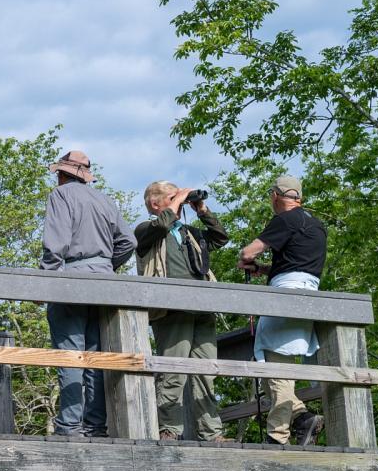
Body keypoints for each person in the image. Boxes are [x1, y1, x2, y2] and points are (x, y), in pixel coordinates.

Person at [40, 149, 136, 437]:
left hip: (71, 279)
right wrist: (105, 266)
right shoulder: (105, 200)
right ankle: (95, 426)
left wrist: (45, 282)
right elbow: (128, 242)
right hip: (105, 283)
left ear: (61, 173)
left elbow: (55, 244)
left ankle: (69, 426)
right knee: (96, 356)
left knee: (71, 354)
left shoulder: (61, 196)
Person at [135, 182, 229, 441]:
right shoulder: (147, 230)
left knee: (206, 372)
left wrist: (201, 209)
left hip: (202, 308)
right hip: (171, 310)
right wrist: (180, 199)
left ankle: (211, 434)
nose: (180, 201)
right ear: (156, 204)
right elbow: (162, 224)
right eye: (172, 197)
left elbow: (220, 237)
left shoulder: (189, 233)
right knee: (173, 372)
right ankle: (169, 430)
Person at [238, 174, 327, 445]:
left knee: (275, 363)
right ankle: (301, 416)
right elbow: (297, 265)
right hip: (308, 295)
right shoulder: (317, 226)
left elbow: (247, 252)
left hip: (284, 297)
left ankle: (278, 435)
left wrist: (247, 260)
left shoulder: (286, 219)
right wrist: (265, 270)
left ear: (276, 196)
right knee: (273, 363)